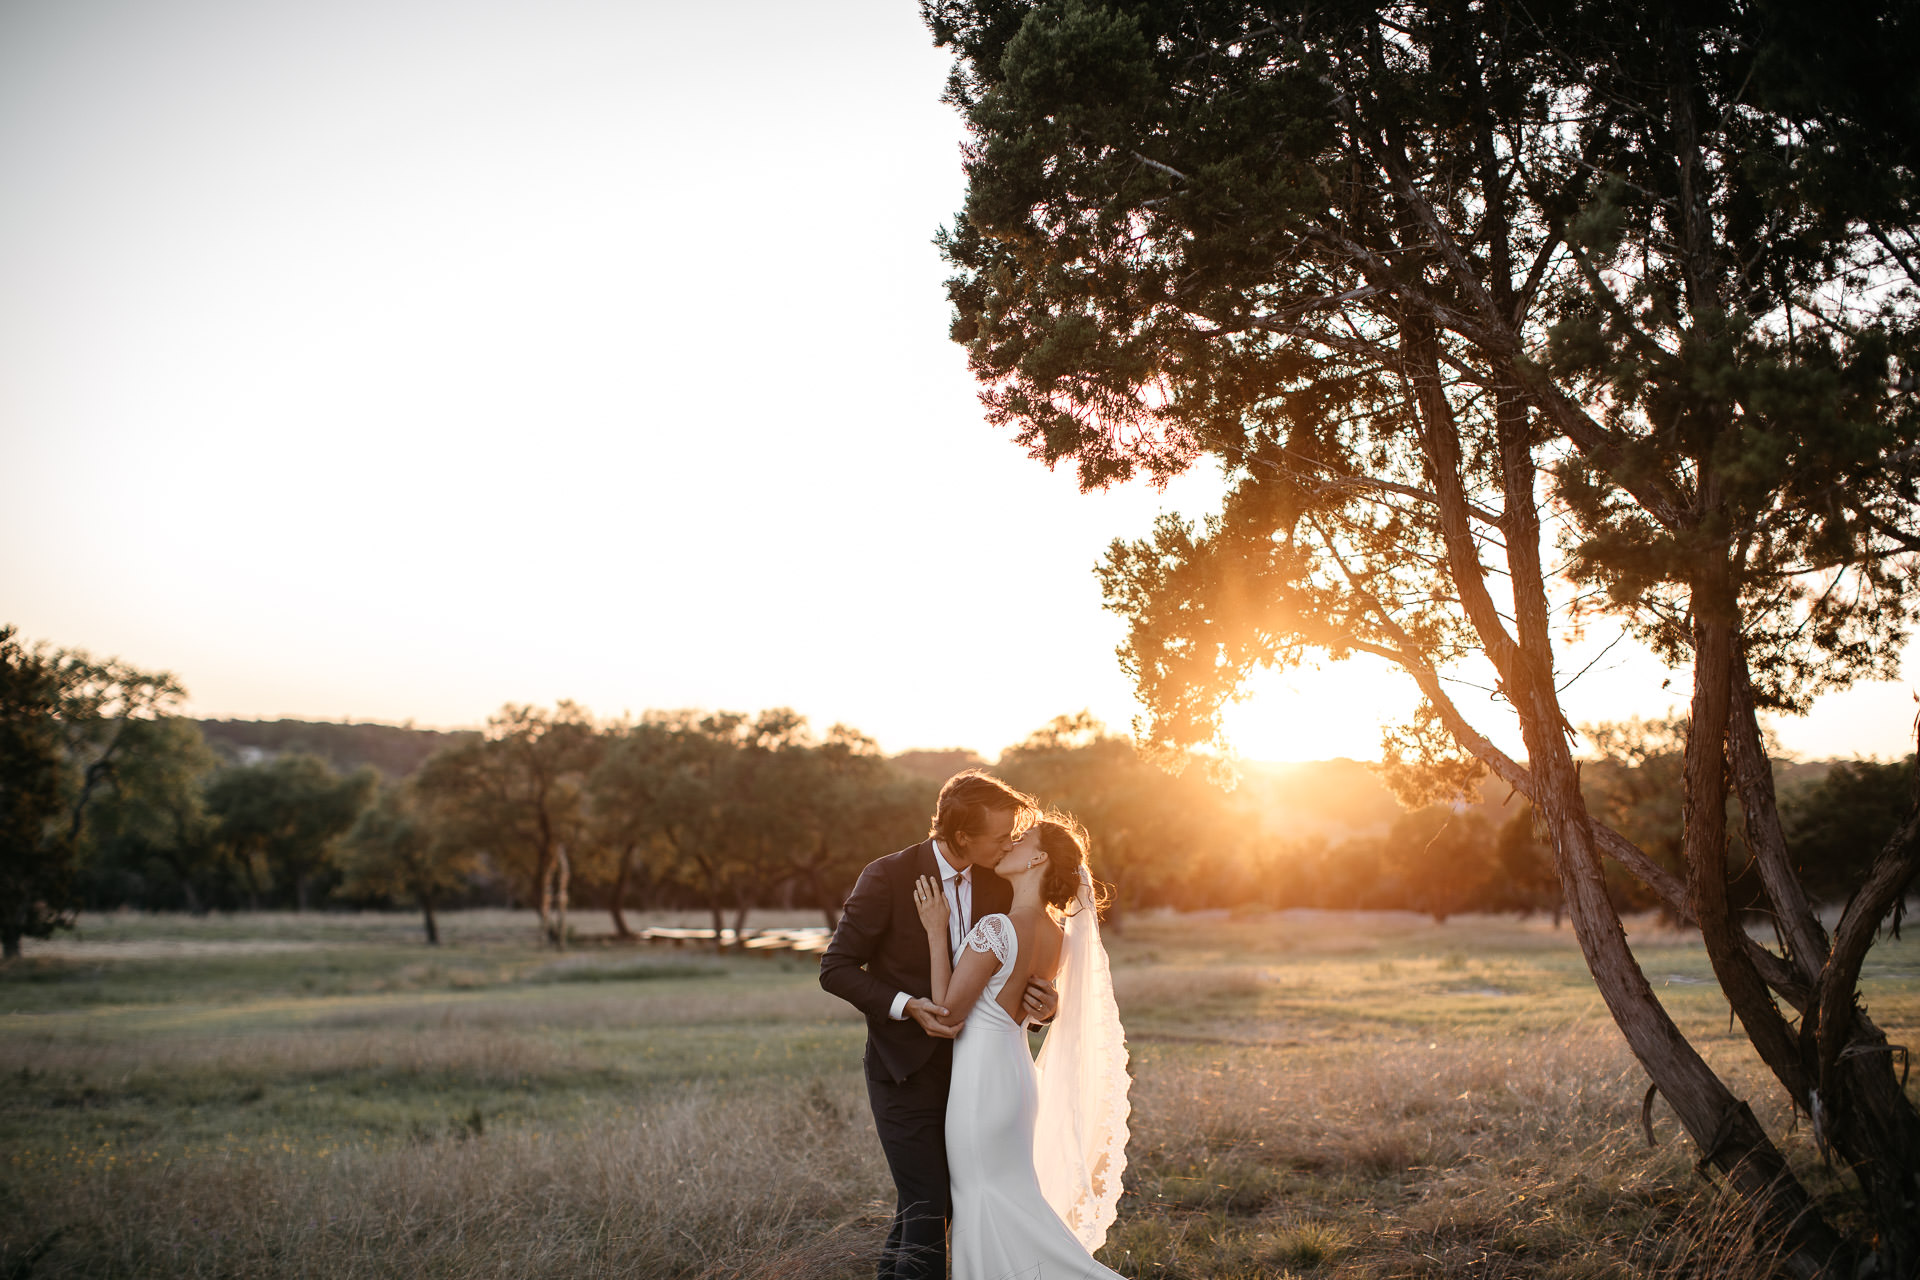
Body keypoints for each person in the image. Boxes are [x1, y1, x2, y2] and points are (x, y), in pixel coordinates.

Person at [819, 771, 1061, 1280]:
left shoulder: (1002, 879)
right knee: (929, 1201)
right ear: (960, 836)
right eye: (998, 836)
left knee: (930, 1202)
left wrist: (1045, 1004)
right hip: (903, 1069)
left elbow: (1016, 971)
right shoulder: (886, 876)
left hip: (976, 1076)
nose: (1008, 843)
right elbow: (835, 969)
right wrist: (907, 1005)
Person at [911, 814, 1130, 1280]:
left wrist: (936, 930)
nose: (1010, 842)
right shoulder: (1057, 937)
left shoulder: (997, 927)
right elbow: (1034, 1005)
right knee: (1006, 1199)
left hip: (981, 1085)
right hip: (1016, 1078)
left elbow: (947, 1017)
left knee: (985, 1200)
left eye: (1022, 838)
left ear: (1038, 858)